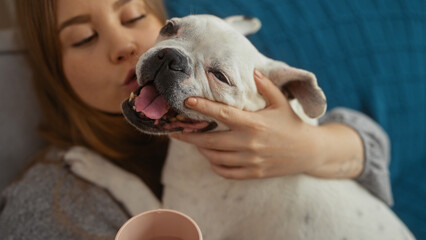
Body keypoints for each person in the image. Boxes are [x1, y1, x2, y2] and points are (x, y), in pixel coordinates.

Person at [0, 0, 392, 239]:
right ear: (51, 67)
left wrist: (309, 146)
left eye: (135, 15)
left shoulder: (275, 134)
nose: (124, 46)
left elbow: (371, 143)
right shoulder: (48, 204)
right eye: (84, 37)